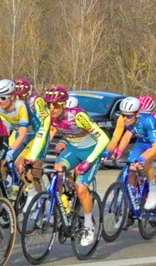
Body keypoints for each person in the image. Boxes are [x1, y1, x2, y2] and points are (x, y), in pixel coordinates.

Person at [47, 96, 110, 249]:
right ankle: (65, 208)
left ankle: (89, 225)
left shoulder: (79, 117)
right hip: (74, 150)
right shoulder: (51, 116)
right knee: (57, 172)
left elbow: (104, 138)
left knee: (81, 188)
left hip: (91, 152)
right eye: (49, 105)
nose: (52, 108)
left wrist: (89, 161)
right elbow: (44, 135)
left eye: (55, 105)